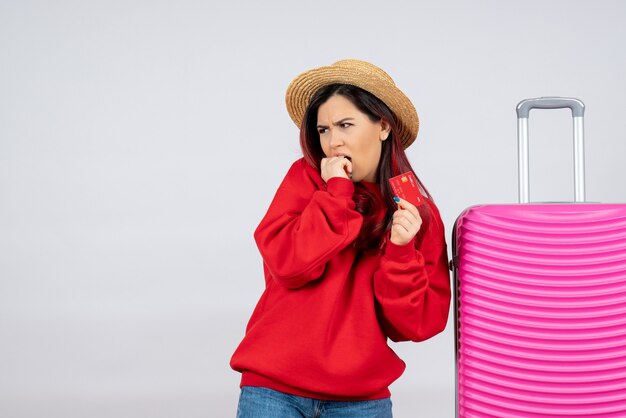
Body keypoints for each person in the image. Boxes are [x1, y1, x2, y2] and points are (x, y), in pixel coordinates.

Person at [230, 59, 451, 417]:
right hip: (274, 390)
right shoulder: (307, 179)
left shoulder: (414, 209)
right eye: (323, 130)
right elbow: (290, 265)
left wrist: (400, 250)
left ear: (382, 125)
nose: (333, 142)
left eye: (345, 125)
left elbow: (417, 325)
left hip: (361, 399)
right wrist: (336, 193)